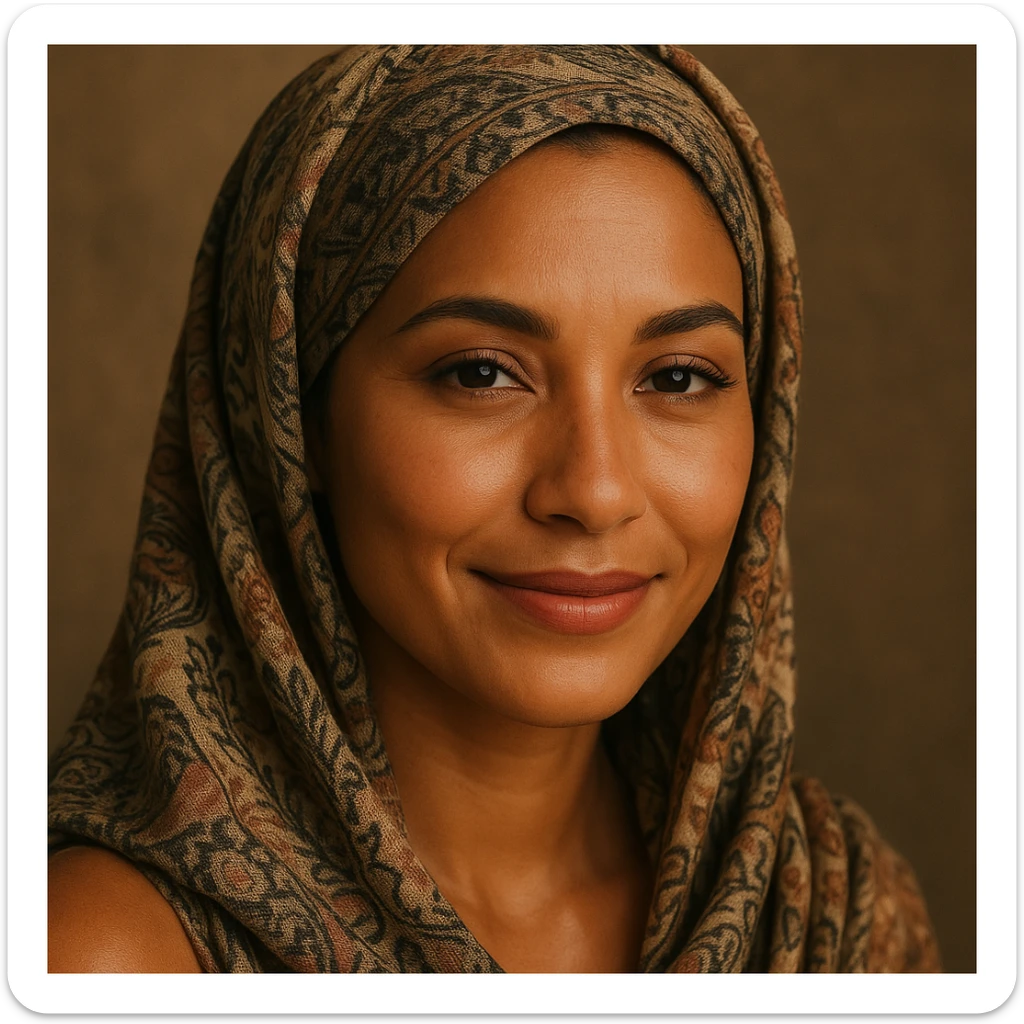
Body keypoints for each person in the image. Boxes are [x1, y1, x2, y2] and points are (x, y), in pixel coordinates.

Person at [47, 44, 941, 973]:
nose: (595, 492)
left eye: (678, 377)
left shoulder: (836, 919)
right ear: (291, 420)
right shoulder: (108, 957)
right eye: (481, 374)